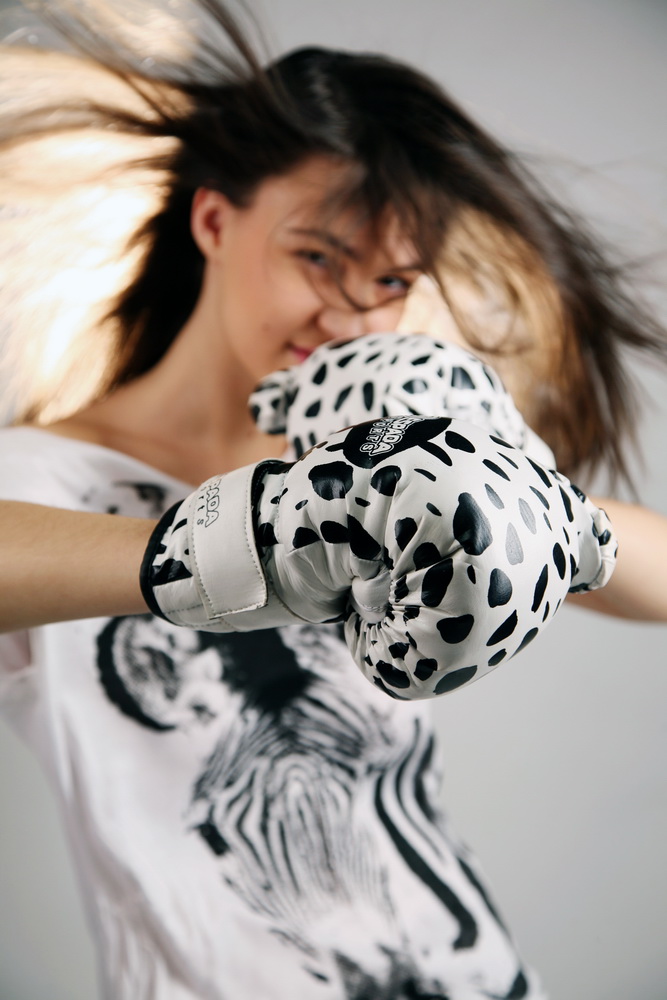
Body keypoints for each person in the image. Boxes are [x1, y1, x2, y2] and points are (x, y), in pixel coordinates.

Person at [0, 2, 666, 997]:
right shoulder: (42, 477)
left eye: (391, 281)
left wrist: (521, 489)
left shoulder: (381, 469)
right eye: (317, 257)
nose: (348, 312)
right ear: (214, 221)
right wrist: (243, 541)